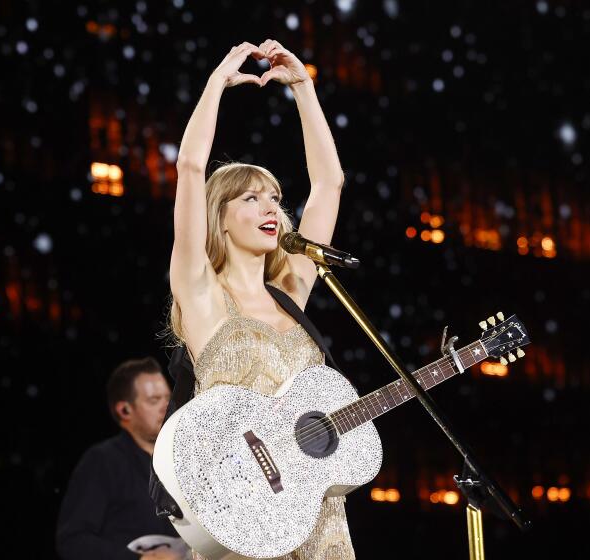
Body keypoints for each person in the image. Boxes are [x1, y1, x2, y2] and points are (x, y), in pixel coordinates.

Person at [167, 39, 355, 560]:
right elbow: (188, 167)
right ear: (220, 216)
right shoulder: (201, 293)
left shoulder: (292, 290)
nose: (270, 206)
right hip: (244, 514)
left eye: (274, 197)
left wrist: (304, 89)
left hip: (318, 516)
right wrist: (215, 85)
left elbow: (329, 183)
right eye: (251, 198)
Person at [57, 358, 185, 560]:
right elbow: (72, 540)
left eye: (167, 398)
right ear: (124, 410)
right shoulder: (102, 461)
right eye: (154, 400)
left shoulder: (181, 457)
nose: (166, 406)